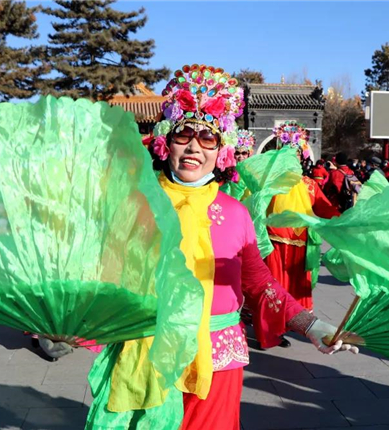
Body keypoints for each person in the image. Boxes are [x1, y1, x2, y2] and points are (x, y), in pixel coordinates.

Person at [87, 65, 358, 429]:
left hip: (217, 360)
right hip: (146, 351)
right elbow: (106, 274)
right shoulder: (136, 203)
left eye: (208, 138)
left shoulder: (235, 213)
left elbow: (260, 283)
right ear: (167, 140)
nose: (195, 147)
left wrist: (311, 324)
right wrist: (77, 323)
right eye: (184, 134)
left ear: (221, 150)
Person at [261, 122, 341, 347]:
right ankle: (270, 331)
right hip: (274, 244)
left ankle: (295, 323)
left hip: (300, 245)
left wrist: (345, 220)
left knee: (296, 288)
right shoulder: (270, 184)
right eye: (287, 154)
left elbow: (324, 208)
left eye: (296, 154)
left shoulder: (308, 184)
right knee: (273, 288)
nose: (293, 159)